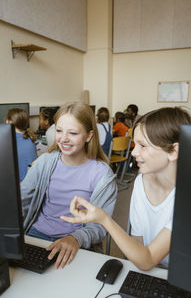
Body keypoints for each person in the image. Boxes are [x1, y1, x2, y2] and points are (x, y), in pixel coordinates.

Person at [60, 107, 191, 271]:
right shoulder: (141, 182)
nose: (133, 152)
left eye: (142, 145)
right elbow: (138, 242)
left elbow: (148, 260)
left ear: (174, 151)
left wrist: (104, 219)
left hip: (183, 274)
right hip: (154, 271)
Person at [21, 102, 117, 269]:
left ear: (89, 136)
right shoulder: (44, 162)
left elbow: (100, 225)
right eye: (59, 131)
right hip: (36, 235)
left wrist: (75, 238)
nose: (63, 138)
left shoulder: (102, 175)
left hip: (75, 240)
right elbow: (22, 201)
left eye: (72, 133)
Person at [6, 108, 37, 181]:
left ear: (9, 122)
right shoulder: (29, 137)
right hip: (29, 181)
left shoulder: (10, 139)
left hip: (19, 183)